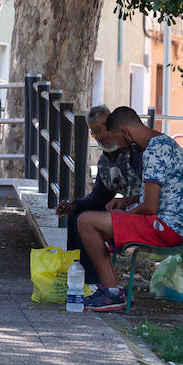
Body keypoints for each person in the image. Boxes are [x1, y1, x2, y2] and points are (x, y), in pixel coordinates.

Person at [76, 105, 183, 312]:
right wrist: (127, 201)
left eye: (118, 140)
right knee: (98, 220)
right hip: (169, 223)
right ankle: (112, 290)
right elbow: (156, 195)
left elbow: (150, 206)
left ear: (126, 133)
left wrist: (125, 215)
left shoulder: (152, 152)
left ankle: (112, 292)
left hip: (165, 227)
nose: (119, 146)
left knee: (86, 221)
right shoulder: (163, 143)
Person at [55, 105, 143, 284]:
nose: (104, 134)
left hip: (145, 213)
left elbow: (153, 192)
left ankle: (98, 283)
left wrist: (127, 201)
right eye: (97, 131)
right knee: (76, 217)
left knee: (86, 221)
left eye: (106, 126)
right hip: (126, 213)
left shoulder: (136, 153)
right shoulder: (104, 162)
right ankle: (82, 279)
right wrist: (75, 205)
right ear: (92, 135)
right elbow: (99, 198)